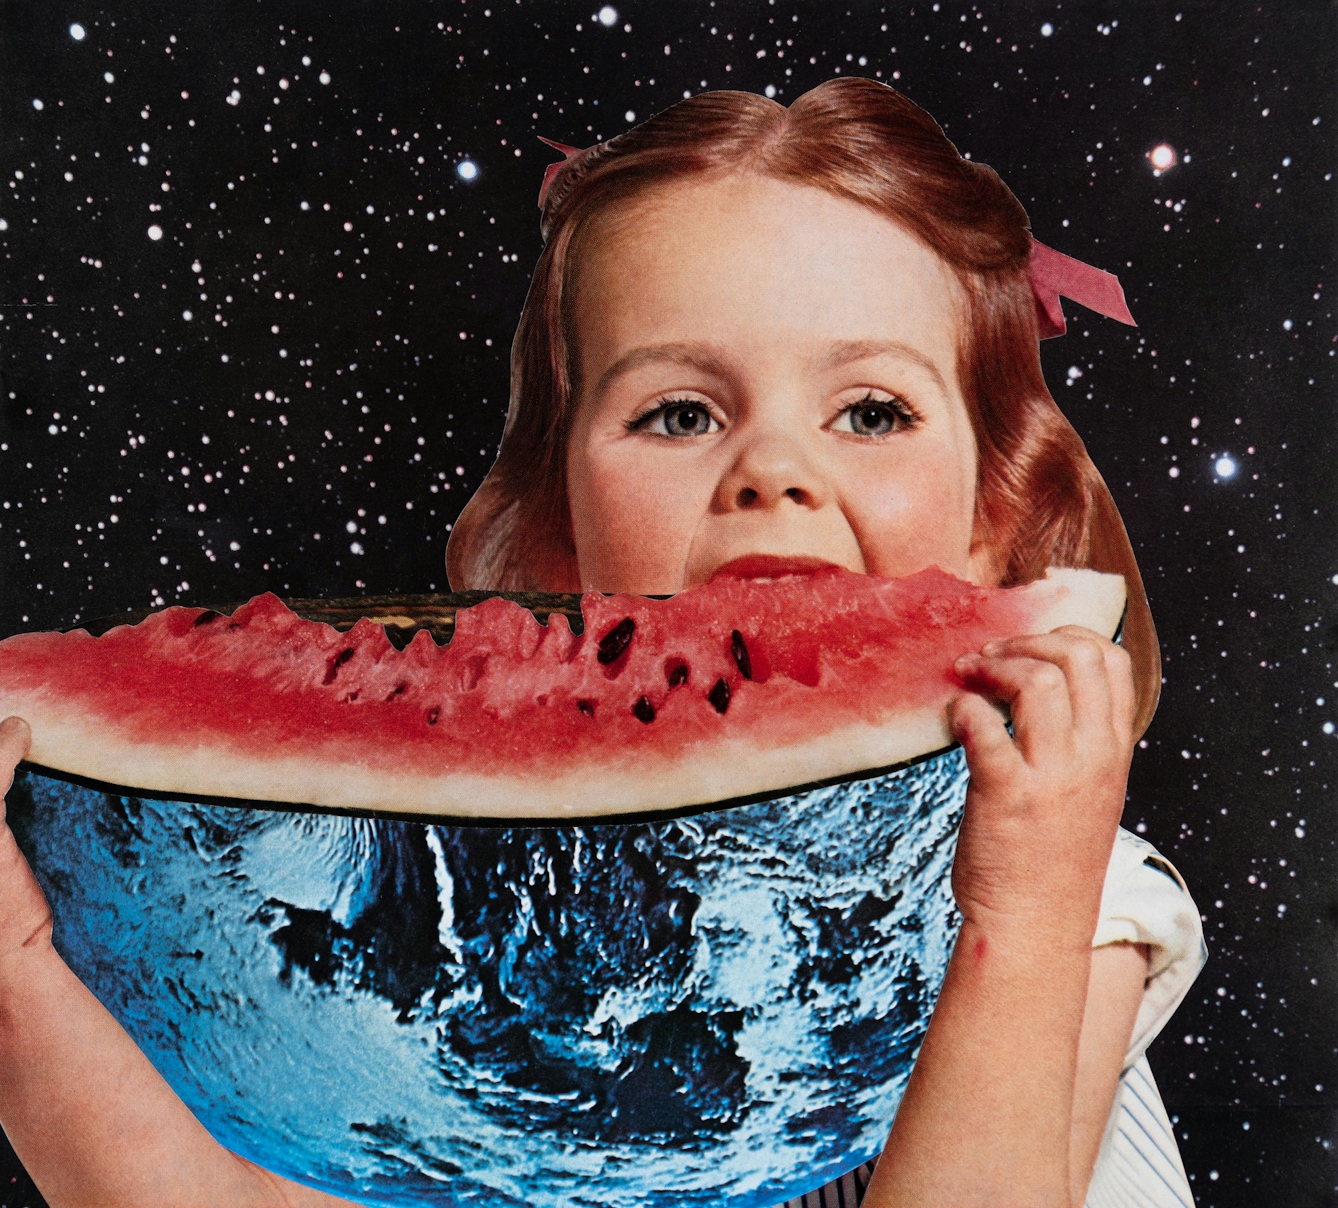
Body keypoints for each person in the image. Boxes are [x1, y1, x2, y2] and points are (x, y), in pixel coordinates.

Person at [0, 79, 1203, 1208]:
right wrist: (17, 977)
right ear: (555, 536)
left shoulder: (1080, 885)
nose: (773, 473)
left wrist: (1024, 912)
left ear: (999, 521)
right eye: (679, 412)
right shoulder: (500, 919)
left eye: (872, 411)